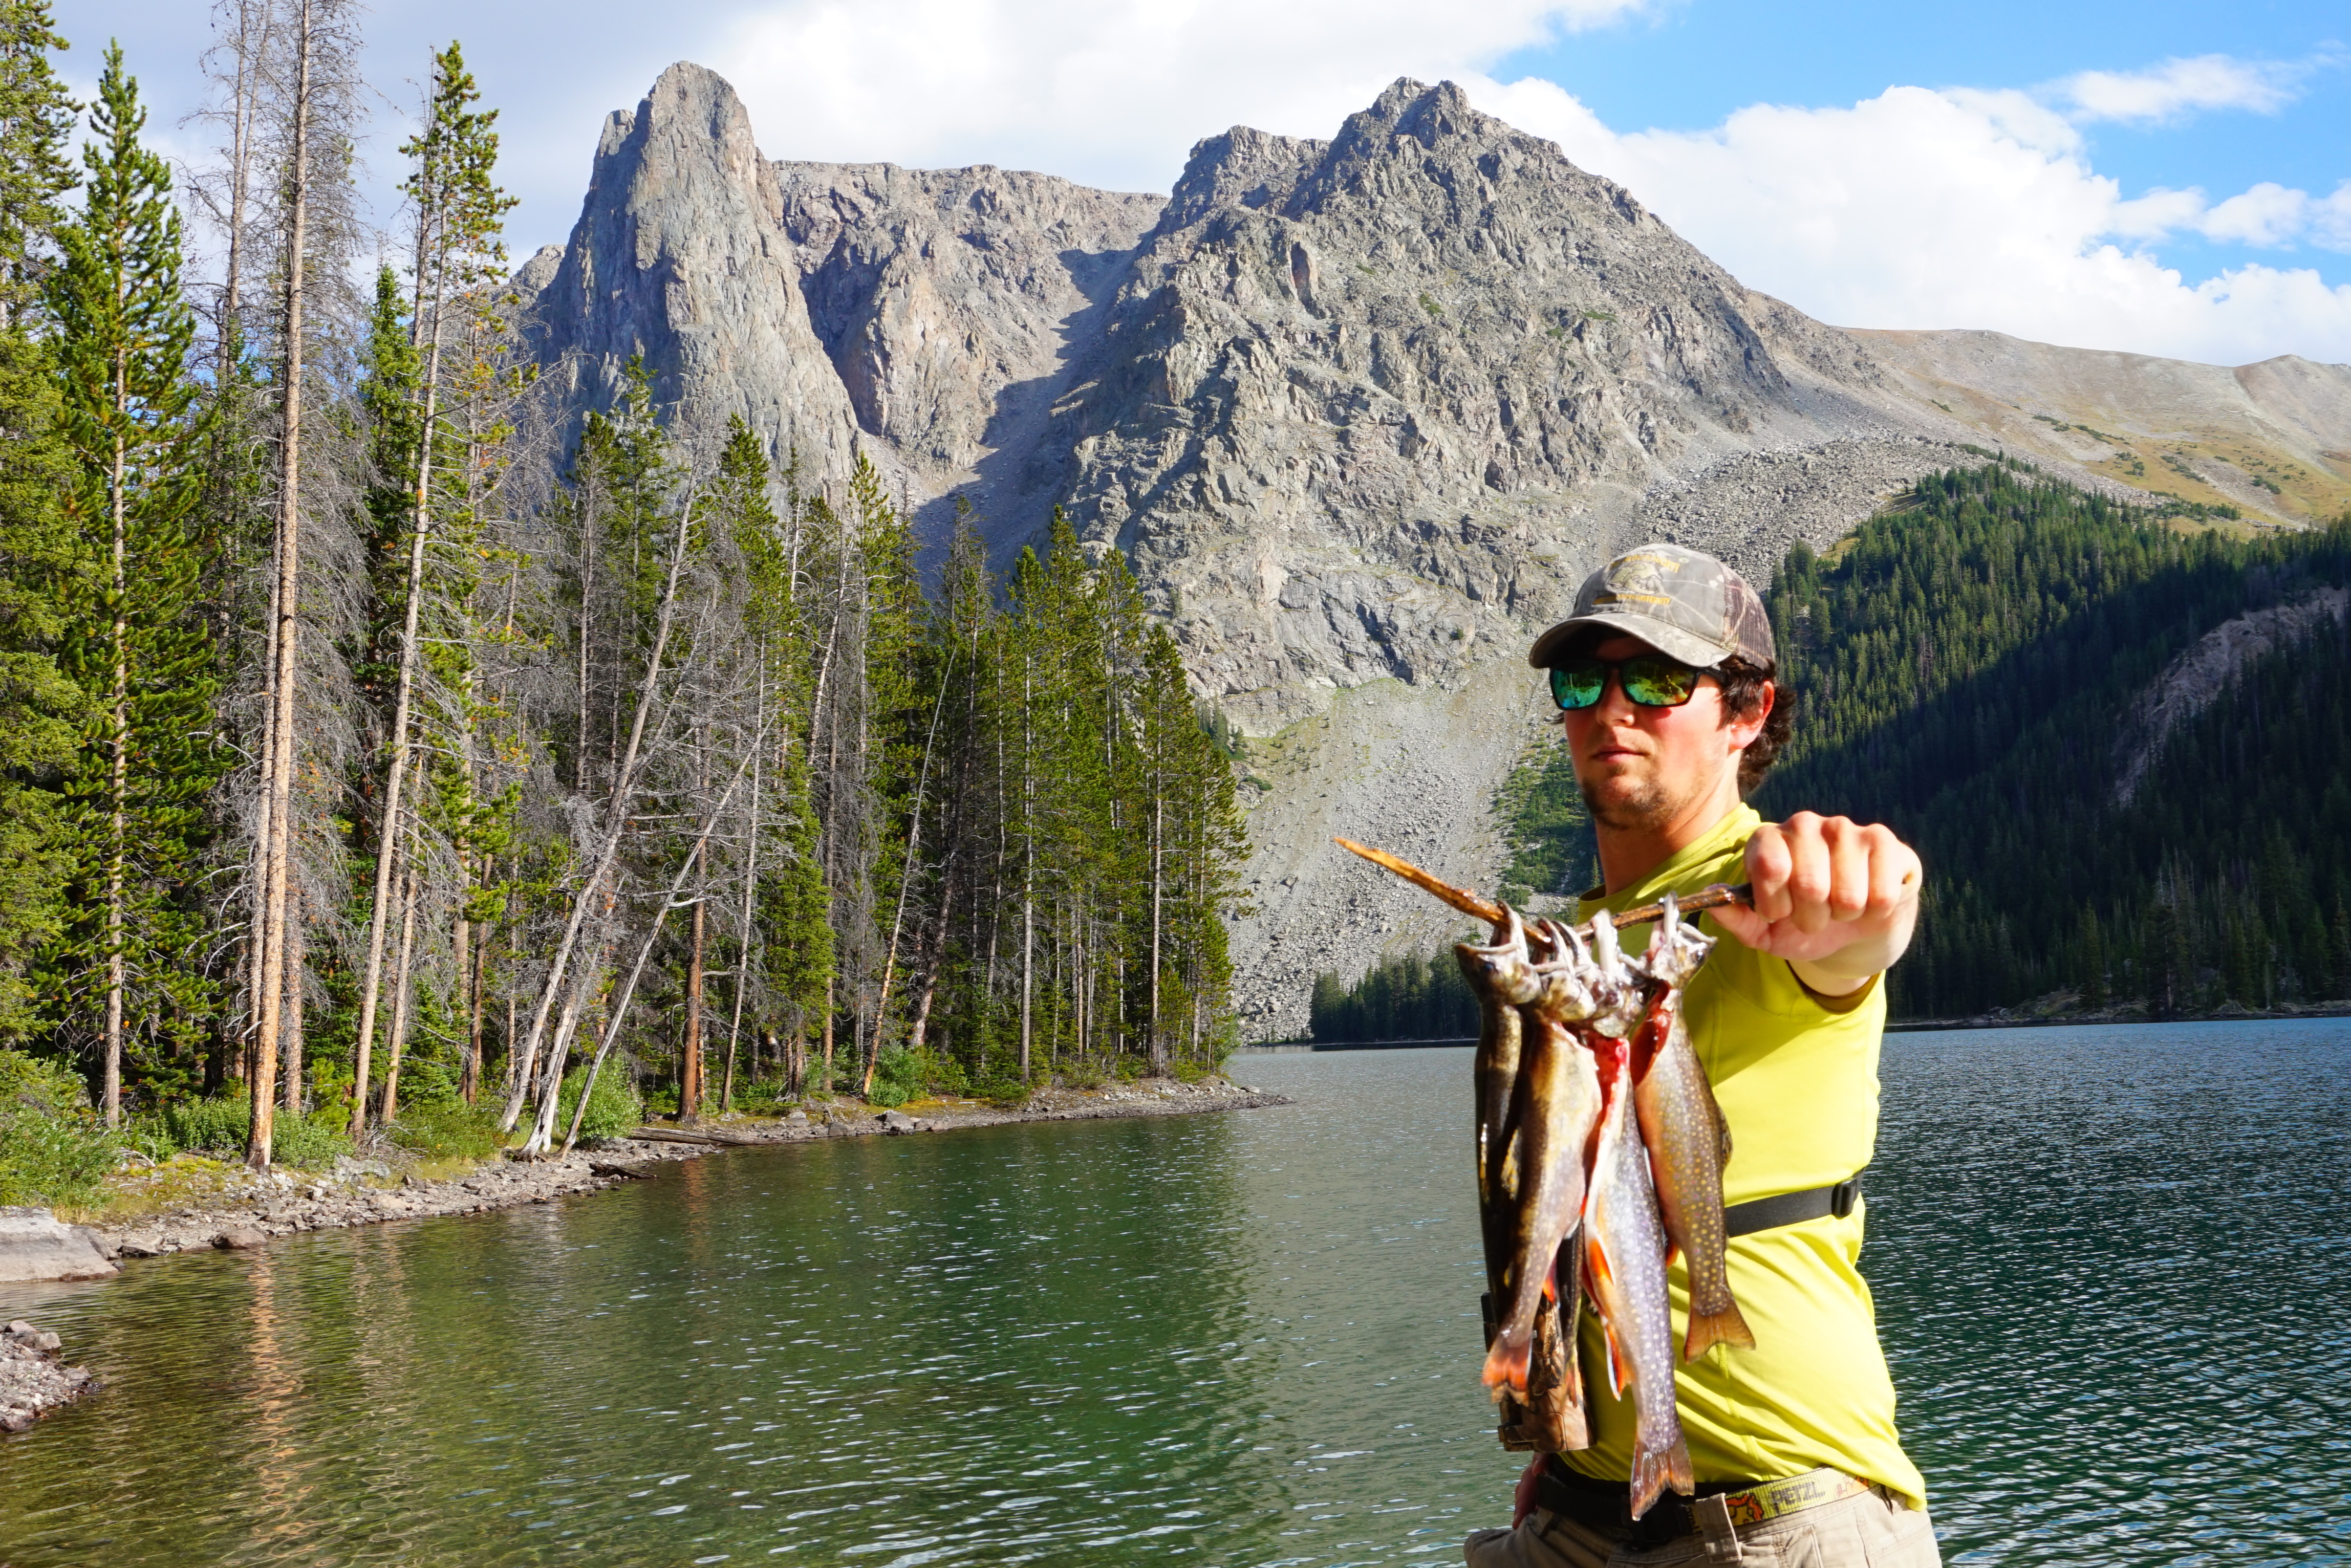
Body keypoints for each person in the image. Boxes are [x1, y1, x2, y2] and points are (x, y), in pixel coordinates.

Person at [1463, 543, 1940, 1568]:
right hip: (1571, 1513)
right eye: (1581, 678)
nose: (1611, 706)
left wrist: (1867, 888)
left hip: (1783, 1522)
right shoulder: (1574, 946)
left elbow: (1864, 923)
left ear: (1746, 710)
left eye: (1658, 677)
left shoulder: (1770, 896)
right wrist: (1556, 1454)